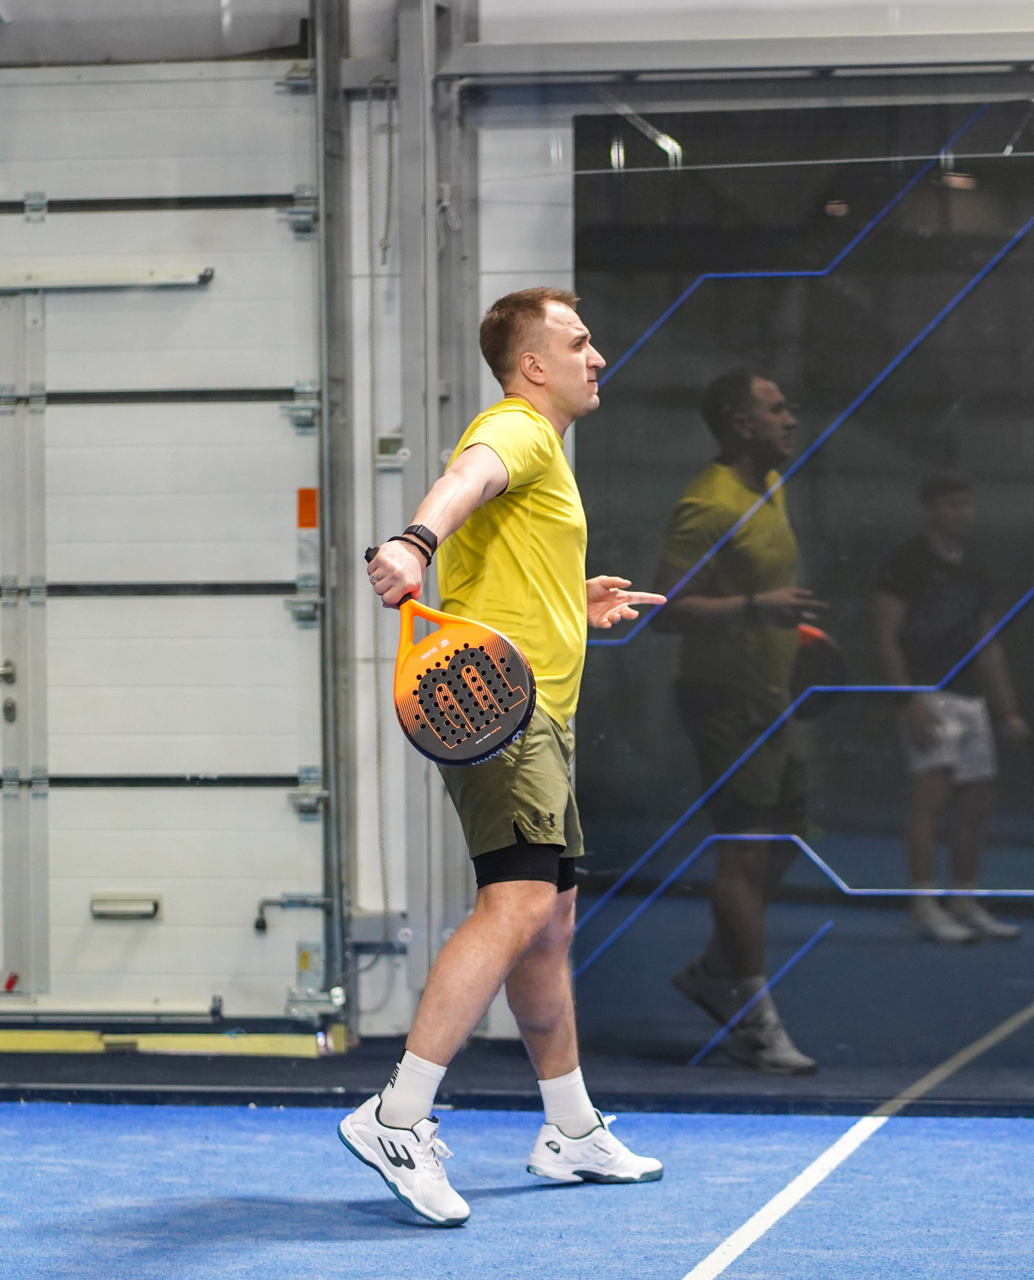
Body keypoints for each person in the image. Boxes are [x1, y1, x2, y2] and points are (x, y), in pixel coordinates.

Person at [343, 287, 667, 1227]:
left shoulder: (548, 452)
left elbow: (506, 553)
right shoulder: (517, 428)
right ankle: (397, 1116)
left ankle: (569, 1129)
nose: (596, 356)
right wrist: (414, 540)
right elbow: (469, 479)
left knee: (550, 924)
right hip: (500, 710)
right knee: (518, 904)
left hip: (542, 715)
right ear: (533, 364)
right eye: (579, 341)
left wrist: (573, 595)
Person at [653, 369, 824, 1076]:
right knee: (744, 855)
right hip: (723, 701)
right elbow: (666, 610)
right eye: (776, 409)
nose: (791, 419)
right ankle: (754, 1022)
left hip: (772, 698)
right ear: (742, 425)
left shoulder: (771, 485)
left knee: (789, 839)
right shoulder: (708, 503)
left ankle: (714, 972)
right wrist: (757, 608)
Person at [874, 473, 1028, 944]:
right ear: (931, 509)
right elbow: (887, 633)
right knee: (930, 797)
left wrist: (1007, 709)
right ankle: (924, 905)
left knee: (978, 801)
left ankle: (963, 899)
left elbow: (987, 642)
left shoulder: (975, 570)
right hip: (926, 693)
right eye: (951, 504)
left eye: (966, 503)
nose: (962, 512)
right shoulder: (906, 562)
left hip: (969, 699)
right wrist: (907, 698)